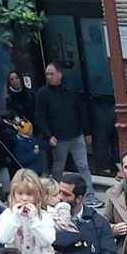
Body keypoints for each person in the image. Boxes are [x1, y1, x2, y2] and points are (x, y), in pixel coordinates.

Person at [34, 64, 95, 200]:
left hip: (76, 134)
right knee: (58, 168)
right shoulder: (43, 94)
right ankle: (53, 194)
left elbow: (81, 112)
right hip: (59, 138)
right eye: (47, 74)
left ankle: (90, 196)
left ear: (60, 74)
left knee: (83, 165)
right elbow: (40, 117)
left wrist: (87, 132)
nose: (49, 77)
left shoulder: (71, 90)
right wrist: (48, 135)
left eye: (52, 73)